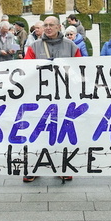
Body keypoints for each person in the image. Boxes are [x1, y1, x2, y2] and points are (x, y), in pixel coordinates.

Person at [23, 15, 80, 183]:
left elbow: (80, 69)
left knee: (62, 132)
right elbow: (26, 68)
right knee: (36, 133)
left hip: (63, 97)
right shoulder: (34, 46)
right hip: (39, 97)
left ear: (58, 27)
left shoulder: (71, 46)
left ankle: (63, 166)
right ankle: (33, 167)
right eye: (45, 25)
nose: (48, 28)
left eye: (51, 25)